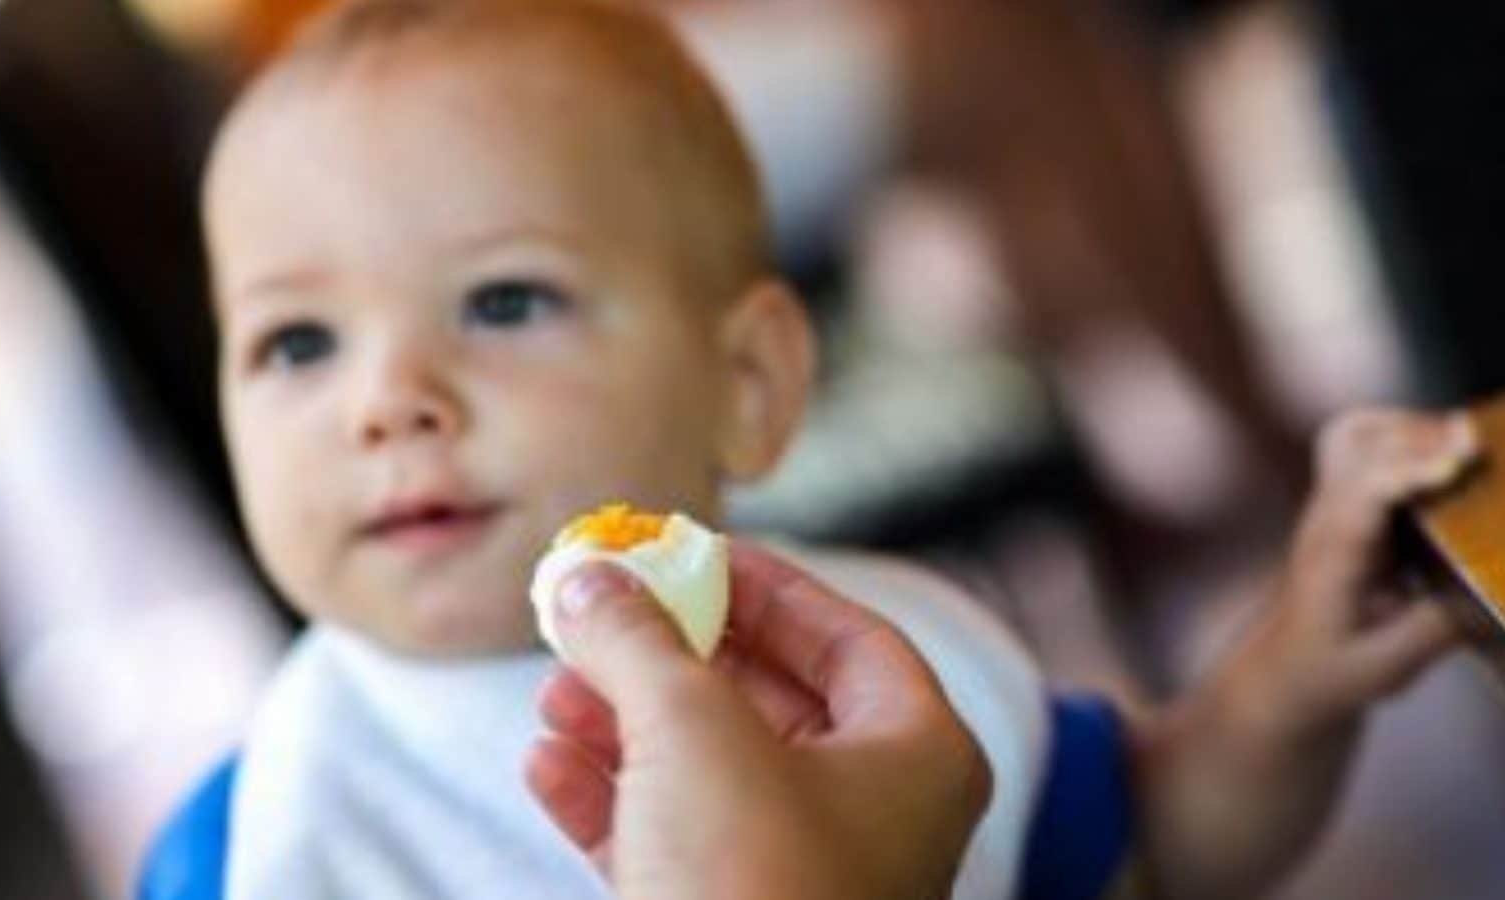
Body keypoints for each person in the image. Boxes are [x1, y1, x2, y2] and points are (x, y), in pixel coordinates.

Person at [137, 1, 1479, 898]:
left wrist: (1295, 672)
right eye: (297, 343)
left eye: (503, 303)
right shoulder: (254, 855)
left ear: (749, 385)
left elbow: (1154, 850)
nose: (388, 401)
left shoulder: (883, 668)